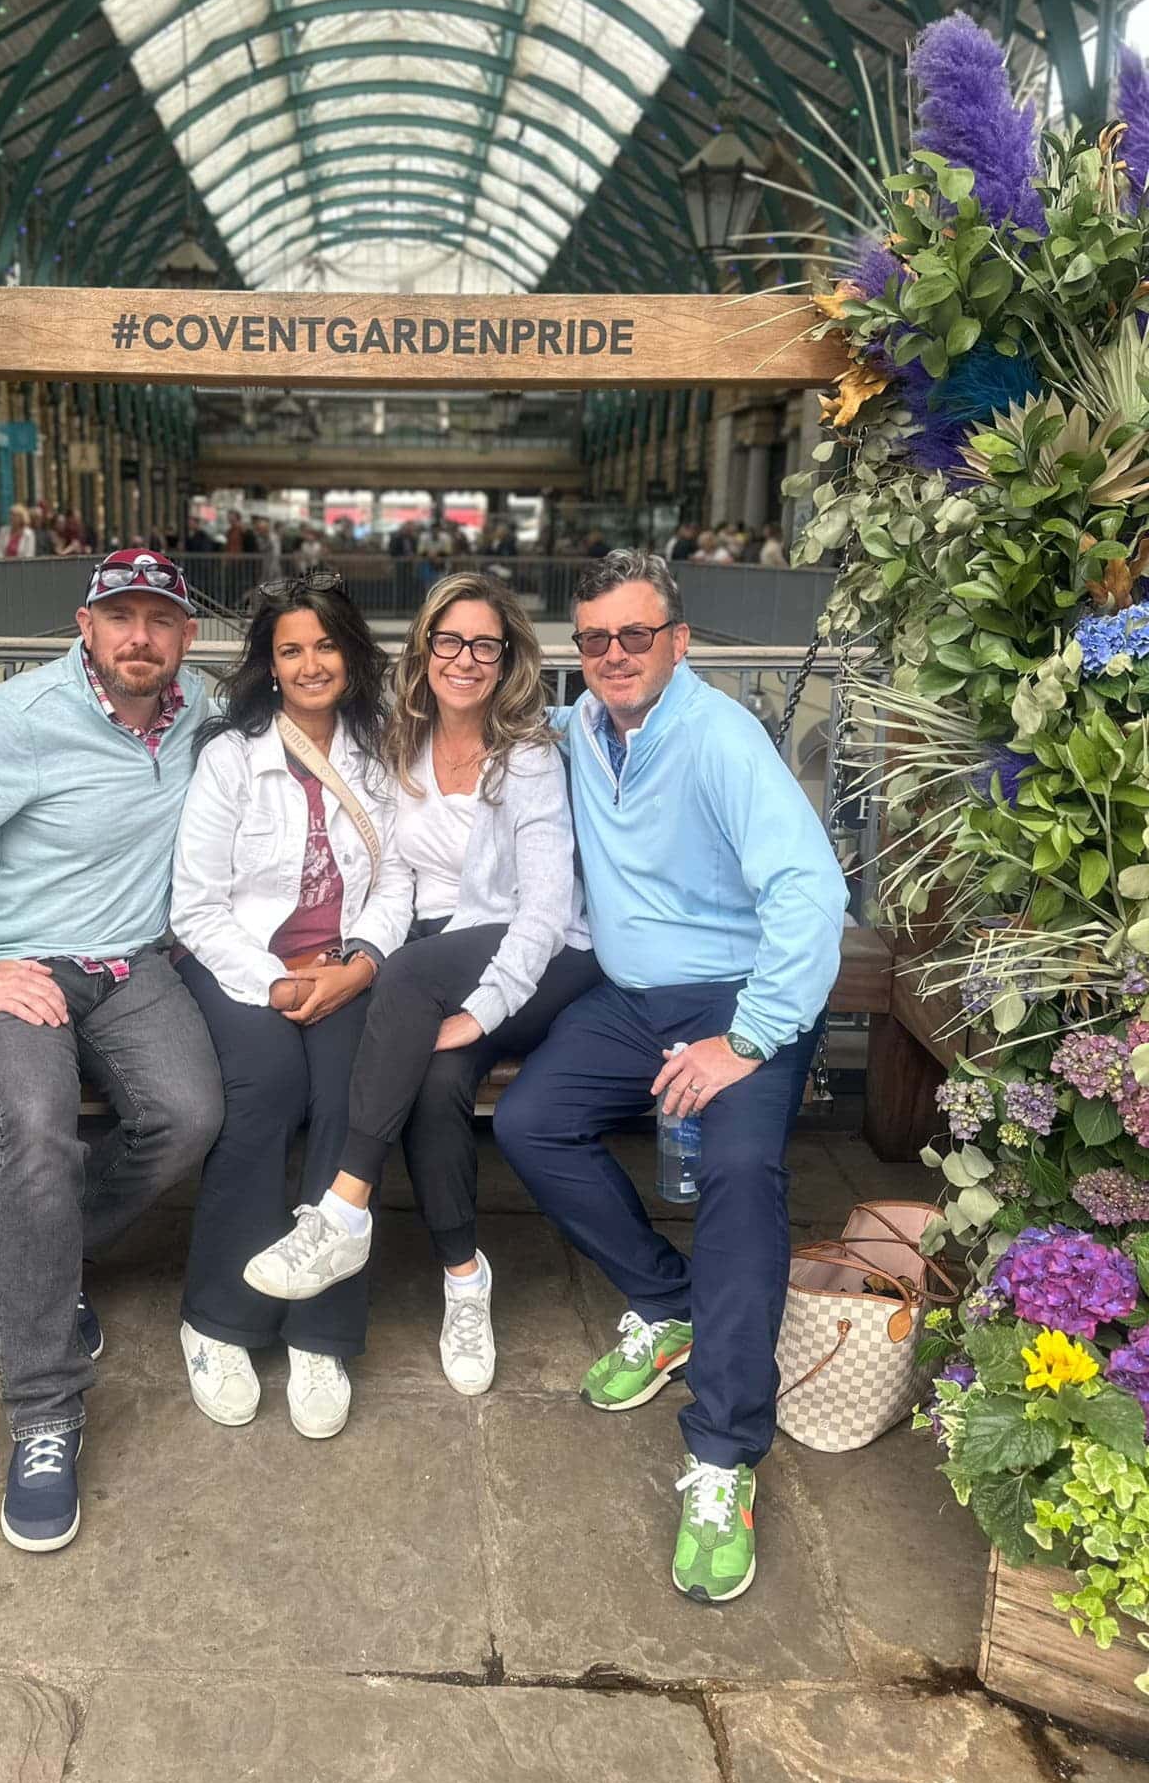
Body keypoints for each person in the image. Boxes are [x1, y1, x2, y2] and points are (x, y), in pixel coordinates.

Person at [492, 550, 846, 1607]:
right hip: (634, 999)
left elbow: (811, 891)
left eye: (635, 635)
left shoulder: (720, 737)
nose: (614, 655)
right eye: (595, 639)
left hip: (739, 998)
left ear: (678, 643)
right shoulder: (578, 732)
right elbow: (479, 742)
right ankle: (666, 1299)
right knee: (530, 1119)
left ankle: (726, 1450)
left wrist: (748, 1038)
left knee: (740, 1172)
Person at [0, 550, 224, 1555]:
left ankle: (52, 1252)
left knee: (191, 1114)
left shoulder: (201, 712)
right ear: (86, 625)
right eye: (121, 617)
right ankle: (43, 1410)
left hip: (131, 964)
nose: (140, 637)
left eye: (160, 619)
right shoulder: (17, 720)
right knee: (35, 1127)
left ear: (186, 635)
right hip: (14, 966)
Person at [243, 574, 598, 1395]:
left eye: (484, 645)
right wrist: (368, 950)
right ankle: (465, 1277)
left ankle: (343, 1208)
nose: (464, 659)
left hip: (538, 954)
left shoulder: (528, 757)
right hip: (434, 958)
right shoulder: (401, 744)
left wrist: (483, 1010)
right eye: (449, 641)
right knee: (436, 1083)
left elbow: (546, 910)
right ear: (426, 648)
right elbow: (397, 877)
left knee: (408, 974)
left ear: (507, 658)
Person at [171, 575, 413, 1439]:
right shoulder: (231, 758)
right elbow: (196, 906)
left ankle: (320, 1334)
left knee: (350, 1096)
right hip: (240, 965)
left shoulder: (378, 754)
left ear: (351, 655)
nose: (311, 664)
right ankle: (218, 1318)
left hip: (343, 967)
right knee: (265, 1090)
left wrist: (361, 963)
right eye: (290, 650)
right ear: (268, 665)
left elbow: (399, 880)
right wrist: (275, 982)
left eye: (325, 645)